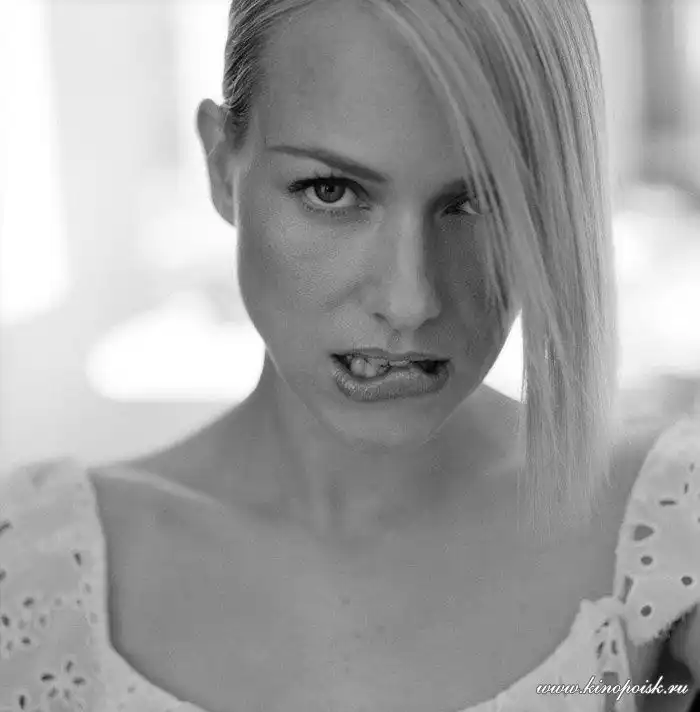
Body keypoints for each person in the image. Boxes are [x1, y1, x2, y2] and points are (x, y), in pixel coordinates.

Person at [1, 0, 699, 710]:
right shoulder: (28, 567)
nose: (410, 299)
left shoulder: (674, 537)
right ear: (220, 166)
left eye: (483, 199)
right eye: (330, 191)